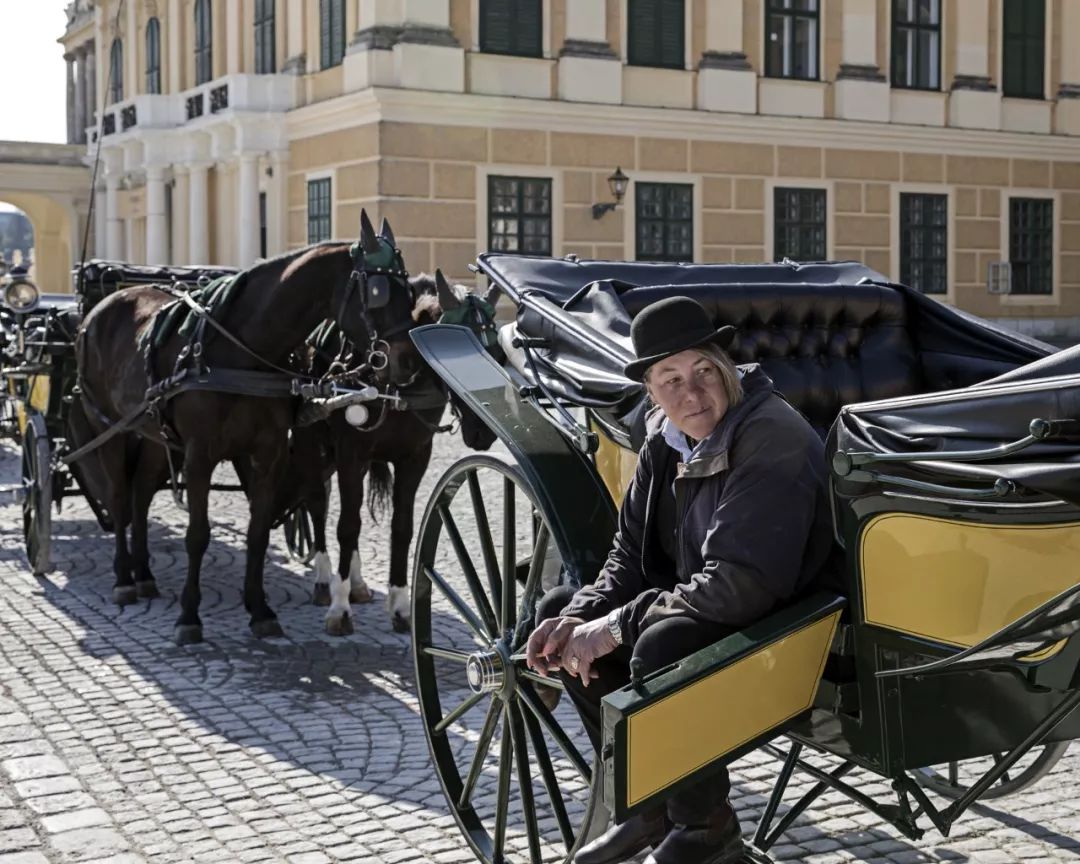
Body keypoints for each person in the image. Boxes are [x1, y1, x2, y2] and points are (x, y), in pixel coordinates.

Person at [526, 295, 838, 864]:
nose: (690, 394)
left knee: (660, 643)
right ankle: (650, 809)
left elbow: (743, 584)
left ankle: (705, 828)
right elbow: (630, 555)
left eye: (702, 372)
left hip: (790, 614)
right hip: (714, 595)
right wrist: (581, 616)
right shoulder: (662, 437)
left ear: (726, 367)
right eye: (669, 380)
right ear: (650, 390)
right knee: (564, 606)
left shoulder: (770, 435)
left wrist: (618, 623)